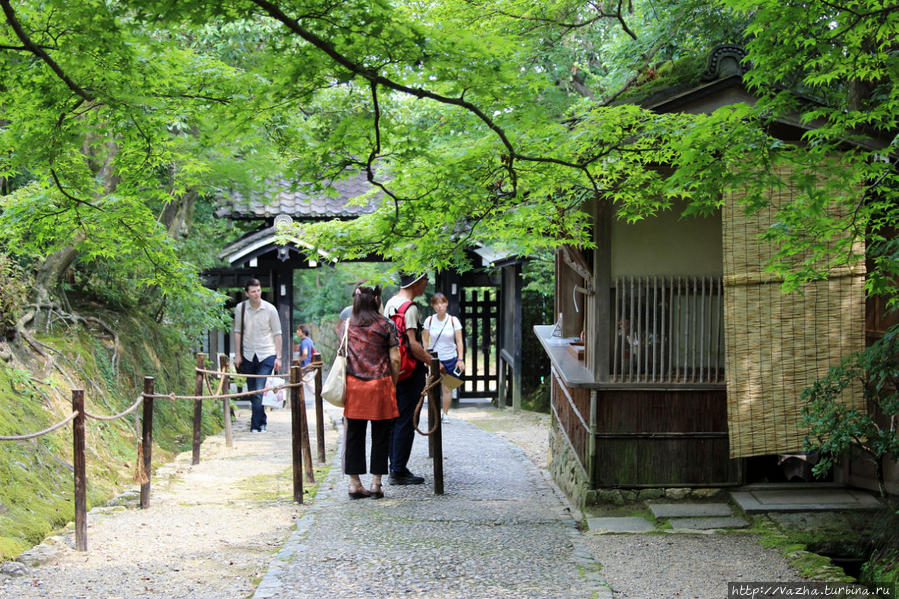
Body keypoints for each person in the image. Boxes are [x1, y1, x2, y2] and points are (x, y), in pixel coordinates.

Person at [342, 284, 401, 499]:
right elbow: (395, 358)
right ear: (377, 300)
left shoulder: (347, 325)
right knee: (381, 434)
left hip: (355, 386)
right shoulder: (386, 325)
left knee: (354, 435)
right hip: (380, 385)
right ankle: (376, 483)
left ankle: (354, 483)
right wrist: (392, 383)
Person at [383, 272, 431, 485]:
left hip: (394, 368)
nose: (426, 285)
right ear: (417, 283)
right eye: (425, 281)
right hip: (410, 370)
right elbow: (412, 344)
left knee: (395, 418)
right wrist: (432, 362)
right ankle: (399, 470)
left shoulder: (390, 303)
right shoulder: (410, 308)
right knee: (407, 418)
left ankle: (395, 464)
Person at [233, 278, 282, 433]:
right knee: (252, 389)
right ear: (247, 293)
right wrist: (238, 354)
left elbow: (277, 334)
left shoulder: (270, 309)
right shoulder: (240, 308)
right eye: (253, 291)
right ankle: (262, 421)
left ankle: (255, 425)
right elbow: (237, 332)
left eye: (259, 290)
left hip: (267, 353)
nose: (257, 294)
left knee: (259, 390)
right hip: (248, 353)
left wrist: (278, 357)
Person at [422, 292, 464, 416]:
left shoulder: (453, 320)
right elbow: (425, 340)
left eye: (442, 303)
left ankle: (445, 414)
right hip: (434, 359)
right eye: (436, 303)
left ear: (446, 304)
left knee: (447, 388)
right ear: (432, 305)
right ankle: (433, 414)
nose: (439, 306)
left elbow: (459, 341)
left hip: (451, 358)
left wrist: (460, 359)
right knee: (433, 388)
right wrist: (425, 356)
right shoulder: (429, 320)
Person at [296, 324, 316, 403]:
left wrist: (299, 360)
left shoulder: (304, 342)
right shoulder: (309, 340)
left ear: (303, 332)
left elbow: (305, 353)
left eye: (299, 330)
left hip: (305, 367)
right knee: (309, 385)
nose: (297, 331)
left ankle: (319, 397)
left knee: (310, 386)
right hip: (309, 365)